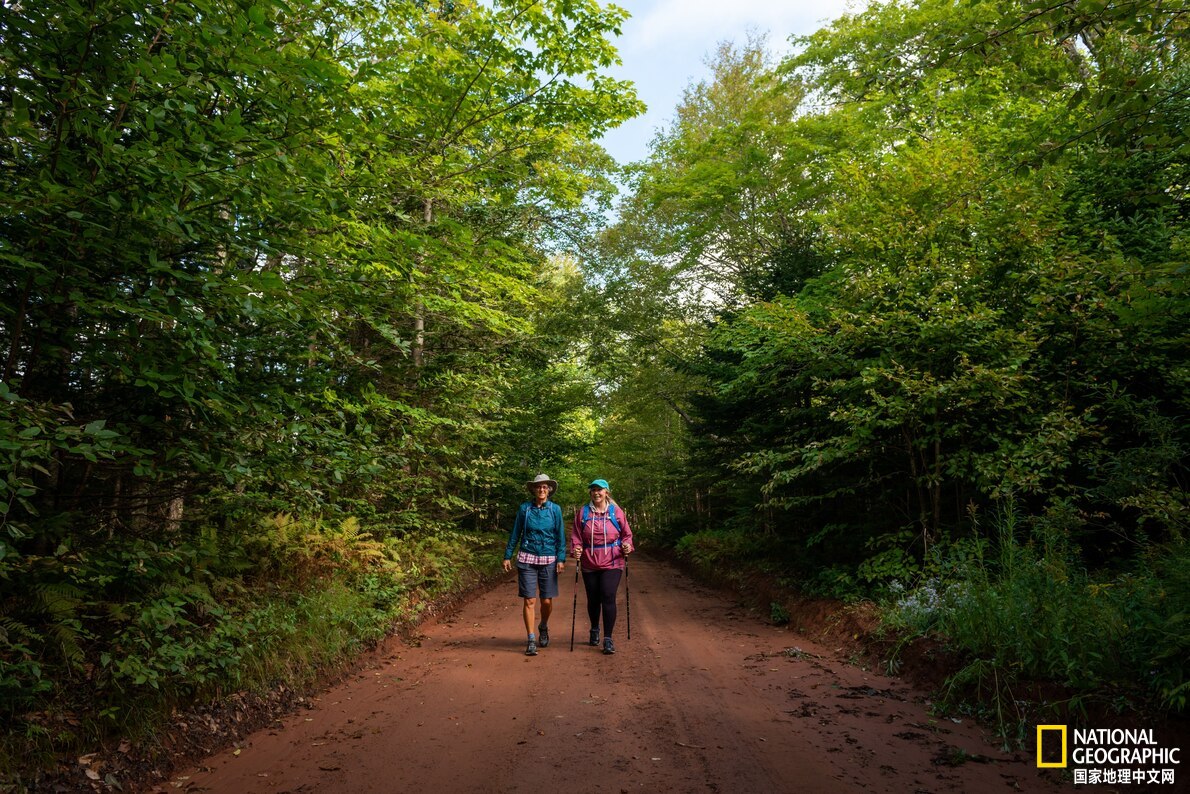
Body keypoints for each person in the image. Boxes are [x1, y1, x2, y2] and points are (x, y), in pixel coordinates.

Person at [503, 474, 566, 656]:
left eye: (545, 487)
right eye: (538, 487)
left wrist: (561, 559)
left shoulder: (555, 510)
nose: (541, 490)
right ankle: (531, 639)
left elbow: (560, 536)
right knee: (529, 600)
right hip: (527, 558)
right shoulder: (525, 509)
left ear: (549, 490)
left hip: (548, 558)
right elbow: (516, 533)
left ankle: (543, 626)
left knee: (546, 601)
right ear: (533, 489)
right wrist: (508, 555)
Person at [571, 478, 634, 655]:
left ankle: (608, 638)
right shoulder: (583, 513)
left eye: (600, 490)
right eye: (593, 490)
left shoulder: (616, 512)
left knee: (608, 595)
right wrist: (576, 548)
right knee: (593, 599)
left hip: (613, 561)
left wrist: (627, 545)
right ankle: (594, 628)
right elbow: (576, 535)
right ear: (590, 493)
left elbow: (627, 535)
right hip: (589, 561)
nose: (596, 493)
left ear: (607, 492)